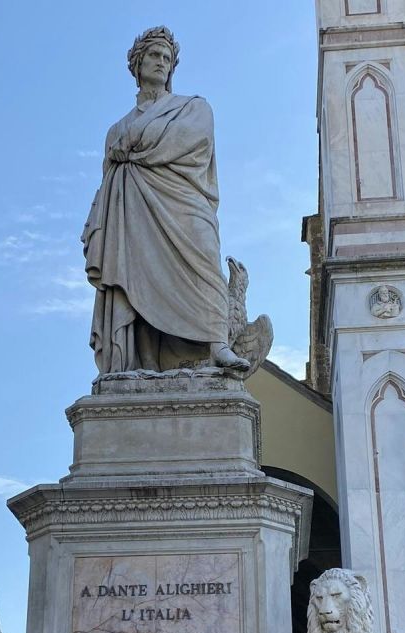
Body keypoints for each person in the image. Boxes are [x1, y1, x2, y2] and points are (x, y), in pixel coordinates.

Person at [81, 27, 249, 374]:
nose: (161, 62)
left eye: (167, 59)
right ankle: (142, 361)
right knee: (135, 275)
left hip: (185, 201)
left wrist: (136, 147)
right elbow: (110, 178)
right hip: (134, 210)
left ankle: (217, 343)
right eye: (155, 55)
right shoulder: (117, 129)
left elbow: (192, 141)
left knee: (205, 259)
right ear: (138, 63)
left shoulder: (193, 108)